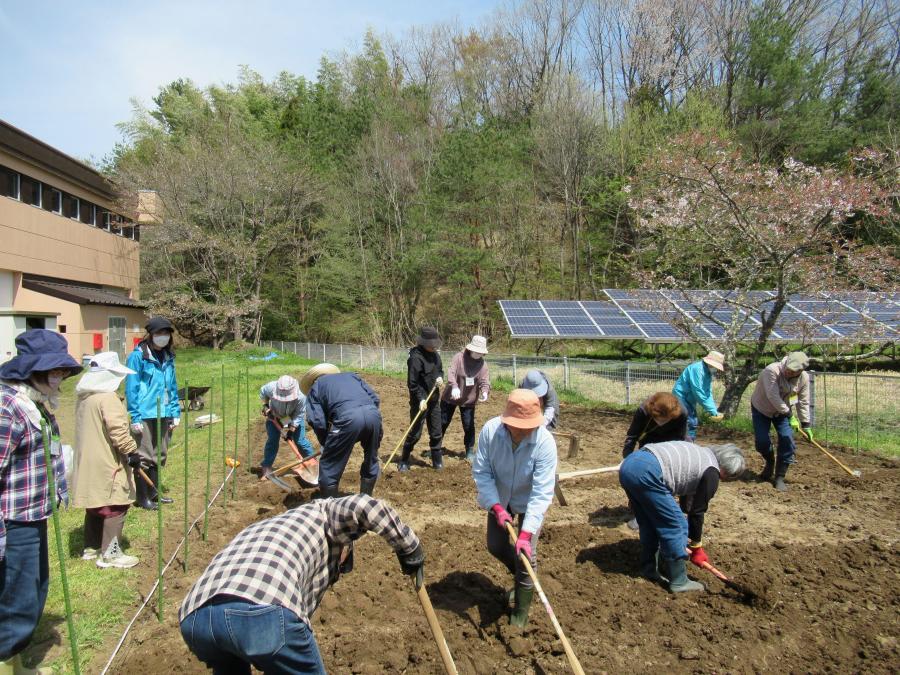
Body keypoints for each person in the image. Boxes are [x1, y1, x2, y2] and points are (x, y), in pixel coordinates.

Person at [180, 493, 424, 674]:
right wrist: (409, 548)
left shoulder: (270, 528)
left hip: (195, 619)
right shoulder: (325, 514)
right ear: (344, 548)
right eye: (340, 567)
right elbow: (369, 506)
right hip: (261, 609)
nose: (335, 574)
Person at [0, 329, 82, 673]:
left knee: (32, 590)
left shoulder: (33, 402)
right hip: (14, 520)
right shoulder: (9, 409)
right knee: (17, 598)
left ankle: (16, 663)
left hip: (34, 515)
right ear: (32, 369)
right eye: (55, 371)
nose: (60, 377)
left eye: (63, 371)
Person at [473, 389, 557, 628]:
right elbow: (482, 472)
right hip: (499, 496)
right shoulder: (491, 432)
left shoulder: (544, 443)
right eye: (517, 425)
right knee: (496, 545)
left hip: (528, 499)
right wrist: (496, 506)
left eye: (528, 425)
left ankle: (520, 612)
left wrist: (526, 533)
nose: (522, 431)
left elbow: (541, 493)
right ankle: (520, 575)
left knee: (527, 557)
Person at [618, 440, 745, 593]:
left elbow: (688, 502)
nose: (723, 479)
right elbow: (697, 512)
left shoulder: (700, 453)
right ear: (727, 470)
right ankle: (679, 582)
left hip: (630, 464)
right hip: (648, 471)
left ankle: (650, 569)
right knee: (677, 525)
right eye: (727, 477)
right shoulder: (712, 471)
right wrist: (696, 546)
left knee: (650, 523)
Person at [72, 352, 141, 569]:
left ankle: (91, 547)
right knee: (115, 504)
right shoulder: (108, 398)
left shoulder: (85, 398)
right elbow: (118, 431)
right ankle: (110, 554)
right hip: (106, 459)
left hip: (87, 458)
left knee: (95, 502)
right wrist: (132, 452)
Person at [302, 364, 382, 498]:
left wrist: (326, 443)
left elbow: (317, 421)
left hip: (347, 419)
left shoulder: (316, 387)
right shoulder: (351, 376)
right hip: (373, 416)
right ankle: (366, 500)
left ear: (313, 381)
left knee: (328, 465)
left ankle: (331, 507)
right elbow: (375, 399)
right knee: (371, 458)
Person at [125, 317, 180, 510]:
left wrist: (175, 411)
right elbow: (131, 388)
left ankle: (154, 493)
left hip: (163, 411)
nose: (162, 337)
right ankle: (142, 497)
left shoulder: (168, 357)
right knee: (145, 454)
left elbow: (171, 385)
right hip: (145, 412)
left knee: (160, 453)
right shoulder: (138, 357)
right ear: (151, 335)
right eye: (159, 334)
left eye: (166, 334)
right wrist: (135, 415)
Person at [749, 351, 812, 491]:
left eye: (793, 371)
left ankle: (779, 477)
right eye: (788, 369)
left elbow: (803, 401)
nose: (788, 372)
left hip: (782, 412)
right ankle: (770, 462)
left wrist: (806, 424)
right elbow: (773, 396)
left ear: (800, 371)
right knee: (762, 442)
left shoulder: (804, 379)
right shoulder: (771, 371)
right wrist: (790, 415)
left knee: (787, 439)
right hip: (762, 408)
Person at [399, 327, 444, 472]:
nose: (434, 347)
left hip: (434, 399)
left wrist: (440, 378)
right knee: (415, 432)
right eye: (431, 345)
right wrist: (420, 399)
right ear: (424, 343)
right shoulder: (415, 358)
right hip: (420, 402)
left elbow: (440, 371)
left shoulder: (436, 356)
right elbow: (412, 383)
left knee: (436, 430)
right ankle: (404, 460)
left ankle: (437, 461)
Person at [440, 335, 490, 463]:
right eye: (477, 351)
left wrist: (485, 392)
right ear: (471, 349)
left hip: (468, 400)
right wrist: (454, 387)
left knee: (468, 426)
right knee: (442, 422)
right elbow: (451, 372)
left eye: (481, 352)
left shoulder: (483, 365)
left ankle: (469, 451)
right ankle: (435, 448)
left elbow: (484, 381)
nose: (479, 354)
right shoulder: (459, 358)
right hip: (450, 397)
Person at [258, 375, 315, 480]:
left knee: (300, 440)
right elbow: (263, 392)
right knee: (272, 440)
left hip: (293, 417)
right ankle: (266, 466)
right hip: (275, 416)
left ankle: (312, 462)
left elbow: (299, 415)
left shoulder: (301, 396)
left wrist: (291, 430)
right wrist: (265, 405)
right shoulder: (271, 387)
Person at [672, 351, 725, 439]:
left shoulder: (707, 372)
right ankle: (686, 443)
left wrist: (713, 410)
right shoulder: (697, 369)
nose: (716, 368)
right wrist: (711, 410)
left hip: (690, 398)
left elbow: (708, 392)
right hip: (681, 396)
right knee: (689, 421)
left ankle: (688, 442)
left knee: (691, 421)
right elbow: (698, 391)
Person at [623, 392, 689, 457]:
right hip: (649, 438)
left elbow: (681, 438)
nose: (661, 423)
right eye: (658, 419)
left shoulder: (681, 413)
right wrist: (627, 458)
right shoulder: (643, 411)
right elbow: (632, 436)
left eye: (665, 420)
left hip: (671, 439)